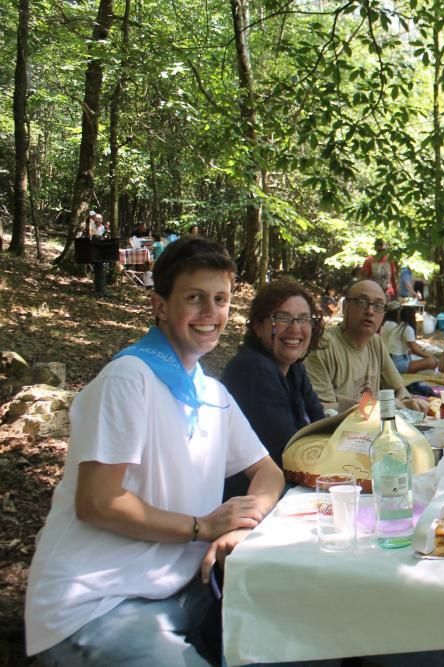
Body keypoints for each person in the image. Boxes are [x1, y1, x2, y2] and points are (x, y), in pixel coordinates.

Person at [24, 236, 285, 665]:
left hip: (184, 592)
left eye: (220, 299)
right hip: (99, 605)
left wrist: (241, 524)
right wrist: (203, 526)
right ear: (159, 305)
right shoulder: (129, 379)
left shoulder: (210, 391)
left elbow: (268, 471)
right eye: (194, 298)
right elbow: (97, 503)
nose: (210, 313)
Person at [221, 279, 325, 498]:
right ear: (258, 326)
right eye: (282, 318)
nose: (295, 328)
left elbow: (321, 427)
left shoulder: (294, 369)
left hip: (289, 487)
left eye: (303, 319)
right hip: (251, 501)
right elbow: (292, 453)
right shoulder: (253, 369)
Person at [304, 279, 428, 414]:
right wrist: (388, 406)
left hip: (373, 429)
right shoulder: (322, 345)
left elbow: (399, 389)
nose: (370, 311)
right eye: (362, 302)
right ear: (345, 306)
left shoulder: (375, 342)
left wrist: (405, 402)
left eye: (378, 305)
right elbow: (323, 409)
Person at [380, 303, 438, 373]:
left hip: (394, 360)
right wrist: (431, 356)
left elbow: (412, 346)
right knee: (432, 362)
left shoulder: (399, 327)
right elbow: (415, 350)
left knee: (426, 359)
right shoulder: (406, 329)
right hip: (397, 363)